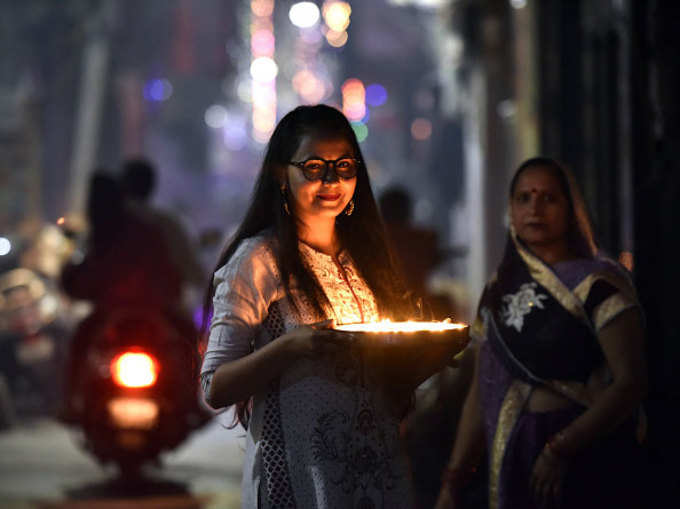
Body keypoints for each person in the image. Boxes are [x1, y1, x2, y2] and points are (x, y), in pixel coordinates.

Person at [200, 105, 420, 508]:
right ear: (283, 175)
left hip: (374, 469)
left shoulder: (366, 257)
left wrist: (421, 359)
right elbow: (214, 386)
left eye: (344, 166)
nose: (332, 180)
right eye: (315, 167)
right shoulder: (258, 260)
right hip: (300, 477)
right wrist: (289, 347)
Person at [435, 157, 647, 509]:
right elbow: (481, 387)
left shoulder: (597, 285)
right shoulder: (499, 290)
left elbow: (630, 383)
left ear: (570, 209)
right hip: (514, 448)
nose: (535, 208)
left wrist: (561, 448)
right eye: (524, 198)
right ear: (511, 210)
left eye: (548, 198)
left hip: (584, 453)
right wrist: (453, 480)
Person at [120, 157, 205, 309]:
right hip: (164, 311)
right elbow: (192, 270)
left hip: (115, 310)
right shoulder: (169, 224)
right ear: (152, 185)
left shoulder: (108, 222)